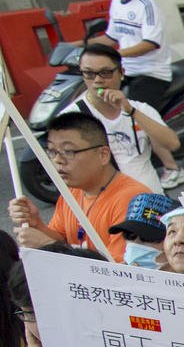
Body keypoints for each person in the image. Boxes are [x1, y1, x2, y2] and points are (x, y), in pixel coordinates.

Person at [7, 112, 145, 261]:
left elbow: (116, 272)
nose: (58, 160)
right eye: (52, 152)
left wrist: (47, 244)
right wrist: (37, 223)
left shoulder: (133, 200)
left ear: (103, 155)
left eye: (69, 151)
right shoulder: (72, 192)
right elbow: (62, 238)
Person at [69, 42, 178, 193]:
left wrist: (131, 111)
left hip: (153, 203)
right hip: (112, 209)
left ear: (121, 73)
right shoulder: (71, 118)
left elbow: (172, 143)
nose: (97, 80)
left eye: (105, 72)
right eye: (89, 73)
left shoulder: (140, 109)